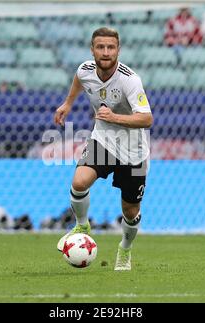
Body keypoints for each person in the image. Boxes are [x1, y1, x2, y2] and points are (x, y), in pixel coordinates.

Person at [54, 27, 153, 271]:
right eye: (101, 47)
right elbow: (79, 80)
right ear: (93, 50)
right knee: (79, 182)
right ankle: (82, 225)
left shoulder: (131, 80)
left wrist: (114, 117)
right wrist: (68, 103)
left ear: (118, 50)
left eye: (111, 47)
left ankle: (125, 250)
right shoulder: (85, 70)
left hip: (134, 153)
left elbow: (147, 119)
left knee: (130, 212)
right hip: (103, 142)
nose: (106, 52)